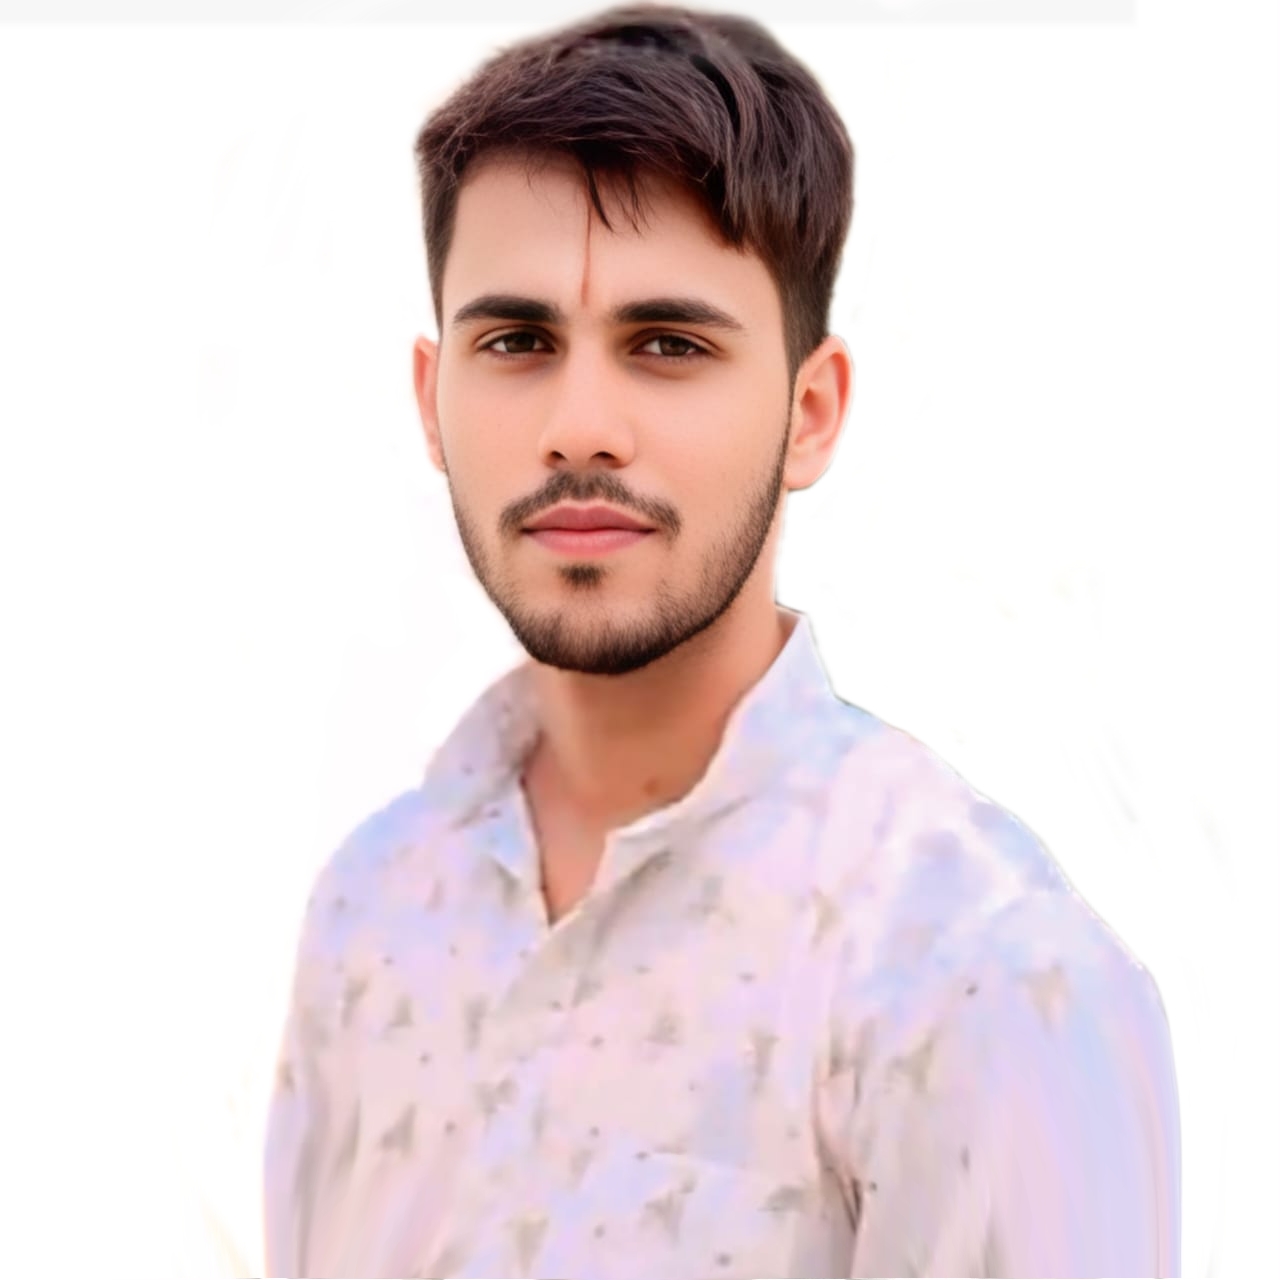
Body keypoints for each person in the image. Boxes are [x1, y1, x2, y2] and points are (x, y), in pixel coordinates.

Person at [263, 6, 1181, 1276]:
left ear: (809, 413)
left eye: (666, 344)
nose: (580, 424)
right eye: (517, 341)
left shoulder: (985, 972)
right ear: (433, 398)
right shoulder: (371, 912)